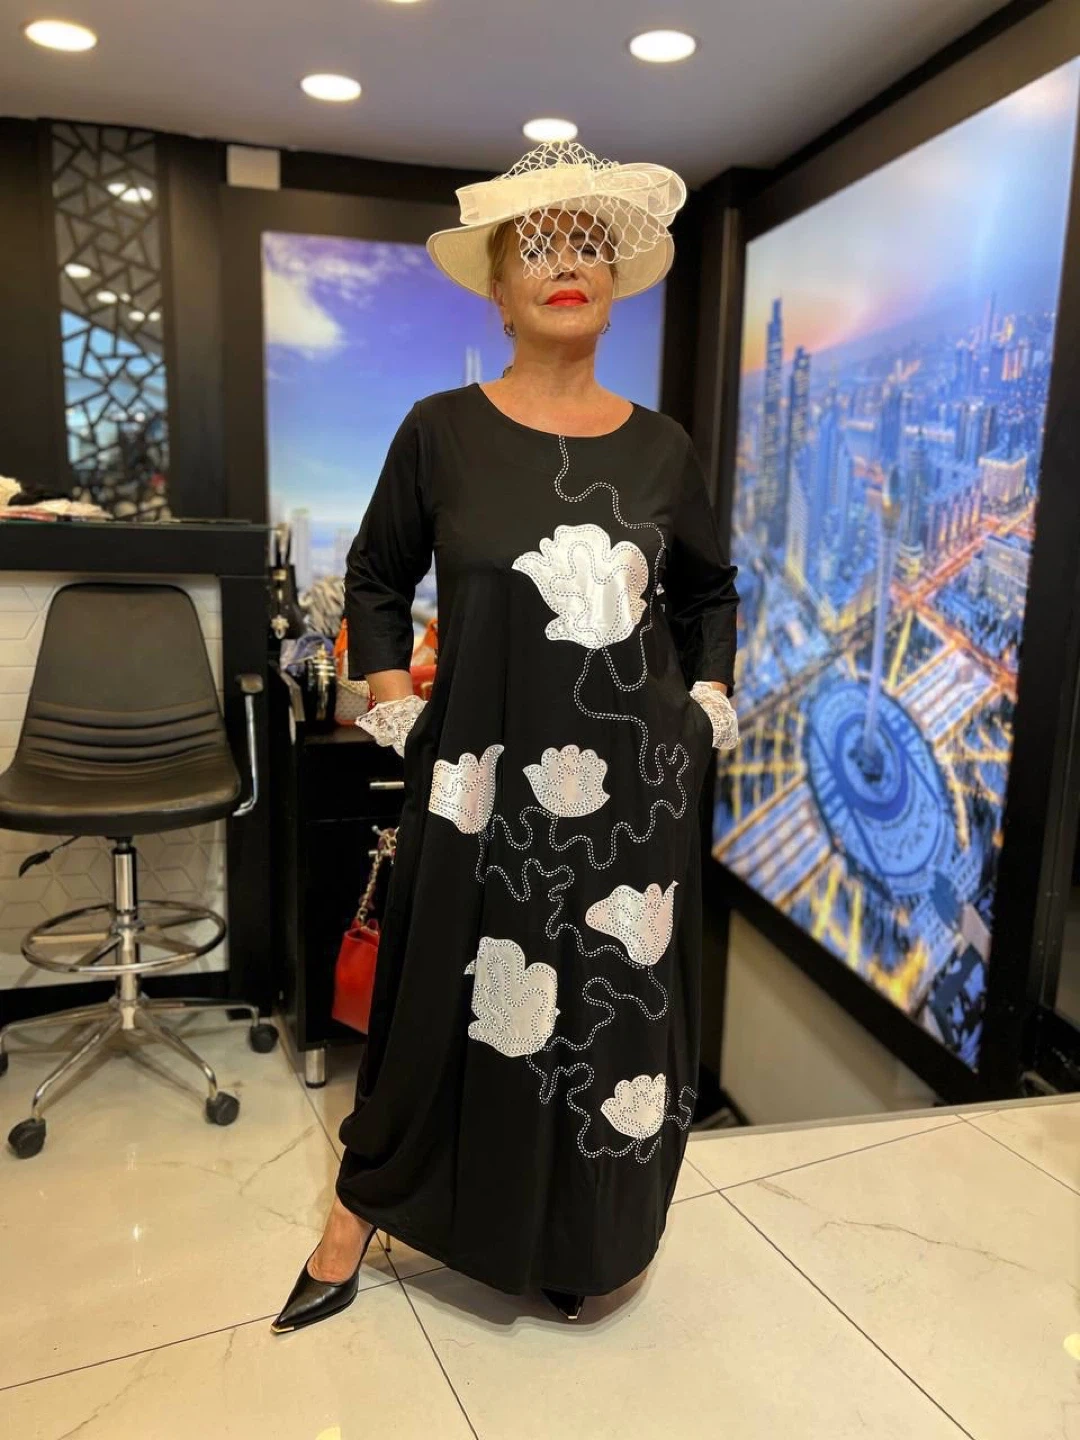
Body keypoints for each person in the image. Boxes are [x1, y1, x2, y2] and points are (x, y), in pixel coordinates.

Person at [273, 141, 739, 1333]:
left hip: (631, 789)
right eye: (538, 246)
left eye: (588, 244)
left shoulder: (663, 449)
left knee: (606, 1009)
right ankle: (359, 1212)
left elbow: (708, 593)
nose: (564, 264)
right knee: (443, 995)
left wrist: (703, 709)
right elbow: (377, 577)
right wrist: (397, 704)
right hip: (477, 781)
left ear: (616, 284)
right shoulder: (441, 431)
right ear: (498, 286)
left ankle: (580, 1235)